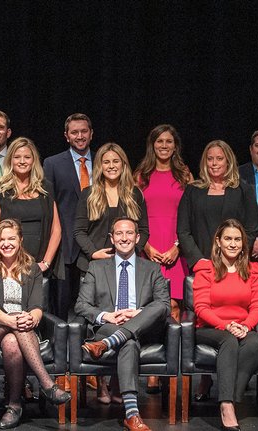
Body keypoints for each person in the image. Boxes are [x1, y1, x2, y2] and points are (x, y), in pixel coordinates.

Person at [74, 217, 171, 431]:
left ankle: (106, 344)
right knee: (128, 341)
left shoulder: (152, 268)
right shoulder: (96, 267)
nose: (124, 238)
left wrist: (139, 313)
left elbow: (164, 306)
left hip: (144, 328)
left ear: (137, 238)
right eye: (119, 234)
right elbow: (81, 305)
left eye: (129, 234)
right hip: (111, 325)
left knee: (158, 306)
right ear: (111, 238)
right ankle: (132, 415)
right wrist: (106, 315)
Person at [0, 219, 73, 429]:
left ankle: (14, 405)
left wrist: (33, 317)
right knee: (11, 331)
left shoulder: (32, 269)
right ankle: (47, 384)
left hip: (24, 327)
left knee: (12, 343)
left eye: (11, 238)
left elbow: (37, 306)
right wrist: (10, 319)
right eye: (2, 239)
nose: (6, 243)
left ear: (20, 241)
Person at [191, 219, 258, 431]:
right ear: (218, 242)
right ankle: (226, 405)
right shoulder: (206, 270)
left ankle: (231, 398)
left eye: (237, 239)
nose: (233, 244)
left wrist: (246, 326)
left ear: (244, 243)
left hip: (242, 327)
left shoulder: (253, 272)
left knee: (253, 343)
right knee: (229, 340)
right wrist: (226, 325)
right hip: (210, 327)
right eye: (228, 239)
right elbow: (201, 307)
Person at [0, 137, 62, 280]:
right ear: (10, 160)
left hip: (38, 266)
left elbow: (56, 229)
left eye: (27, 157)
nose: (22, 161)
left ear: (34, 161)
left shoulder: (46, 188)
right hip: (7, 266)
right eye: (17, 157)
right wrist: (2, 262)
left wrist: (45, 263)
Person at [44, 113, 97, 317]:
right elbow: (49, 207)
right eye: (74, 132)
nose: (80, 136)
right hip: (64, 247)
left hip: (96, 244)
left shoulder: (104, 161)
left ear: (91, 134)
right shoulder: (52, 164)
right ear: (66, 136)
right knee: (62, 308)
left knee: (92, 306)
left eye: (84, 131)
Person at [136, 124, 190, 316]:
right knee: (149, 306)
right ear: (152, 145)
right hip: (149, 246)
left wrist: (177, 247)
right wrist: (145, 246)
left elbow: (191, 215)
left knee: (174, 305)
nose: (164, 145)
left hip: (176, 246)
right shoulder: (141, 176)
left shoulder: (185, 175)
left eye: (169, 141)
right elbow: (133, 215)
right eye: (160, 141)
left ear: (175, 146)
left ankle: (174, 347)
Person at [178, 140, 258, 269]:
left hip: (234, 265)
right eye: (210, 159)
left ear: (228, 161)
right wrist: (198, 260)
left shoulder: (243, 190)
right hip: (201, 264)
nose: (214, 163)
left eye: (219, 158)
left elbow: (251, 229)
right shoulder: (192, 190)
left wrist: (237, 258)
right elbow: (183, 230)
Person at [75, 143, 149, 275]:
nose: (111, 166)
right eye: (106, 162)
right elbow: (79, 231)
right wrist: (93, 253)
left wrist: (132, 252)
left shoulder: (135, 194)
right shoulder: (88, 194)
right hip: (93, 265)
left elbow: (143, 230)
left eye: (116, 161)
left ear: (123, 164)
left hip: (127, 264)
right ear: (100, 166)